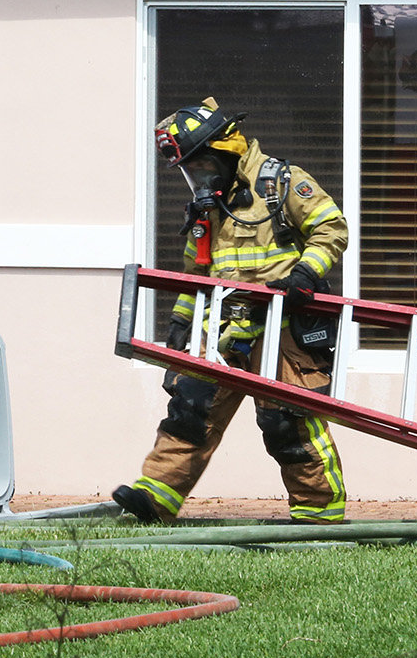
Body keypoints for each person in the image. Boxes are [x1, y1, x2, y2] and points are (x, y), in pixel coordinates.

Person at [113, 99, 351, 524]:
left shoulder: (280, 182)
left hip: (282, 325)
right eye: (190, 171)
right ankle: (156, 496)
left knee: (287, 420)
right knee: (190, 408)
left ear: (225, 151)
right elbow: (196, 272)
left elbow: (331, 228)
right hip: (224, 325)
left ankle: (319, 512)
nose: (198, 178)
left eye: (202, 166)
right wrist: (181, 323)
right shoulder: (208, 206)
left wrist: (304, 274)